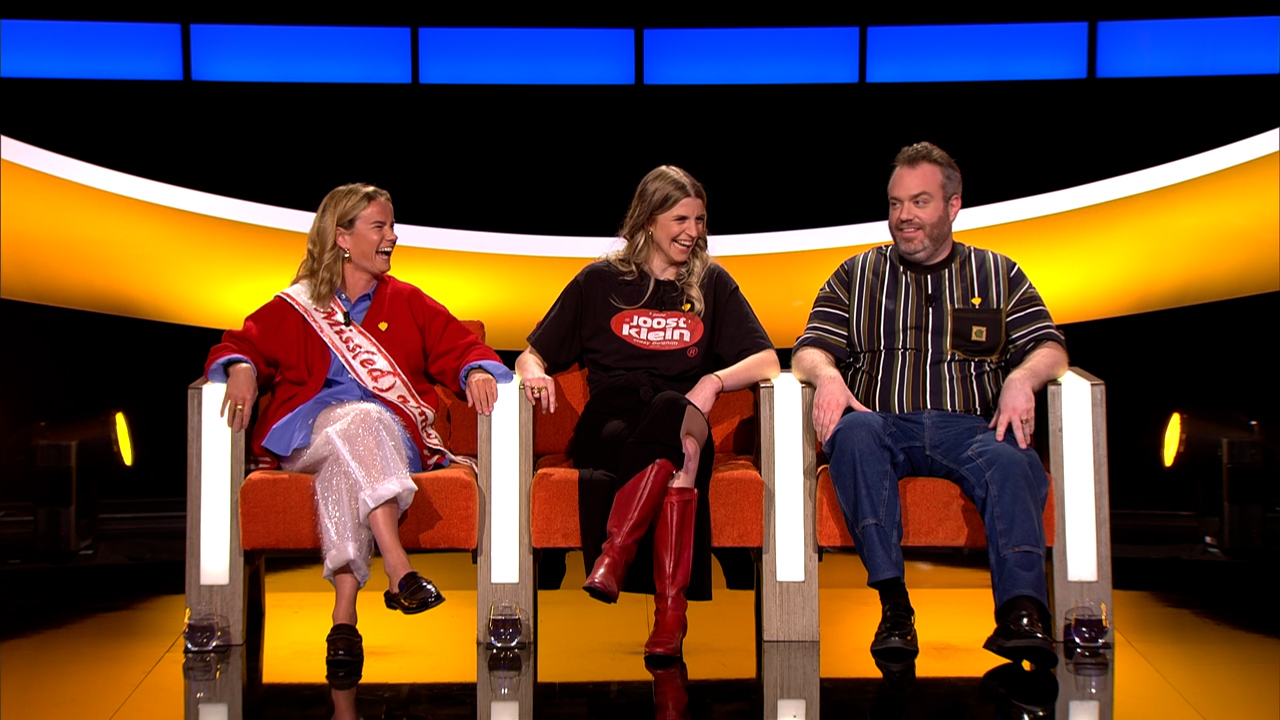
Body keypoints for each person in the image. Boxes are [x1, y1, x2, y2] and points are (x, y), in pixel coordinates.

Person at [206, 183, 511, 668]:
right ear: (342, 237)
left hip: (388, 439)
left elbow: (462, 347)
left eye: (392, 226)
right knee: (357, 424)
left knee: (353, 451)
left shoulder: (407, 301)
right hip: (307, 437)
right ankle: (398, 568)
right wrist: (241, 366)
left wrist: (475, 370)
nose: (393, 236)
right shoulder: (299, 306)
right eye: (380, 226)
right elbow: (240, 343)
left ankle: (344, 616)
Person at [792, 143, 1068, 669]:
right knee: (852, 435)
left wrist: (1022, 377)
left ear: (953, 205)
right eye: (896, 203)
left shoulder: (997, 273)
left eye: (919, 202)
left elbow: (1049, 346)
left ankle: (1021, 614)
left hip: (972, 428)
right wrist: (826, 375)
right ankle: (894, 607)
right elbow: (809, 348)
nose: (904, 216)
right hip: (882, 422)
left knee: (1015, 460)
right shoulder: (857, 274)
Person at [515, 166, 779, 660]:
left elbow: (766, 360)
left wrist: (713, 380)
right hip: (612, 422)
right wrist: (533, 374)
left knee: (676, 415)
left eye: (699, 220)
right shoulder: (599, 281)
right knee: (686, 455)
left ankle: (615, 555)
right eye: (680, 219)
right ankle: (670, 617)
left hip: (682, 411)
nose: (692, 232)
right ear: (648, 219)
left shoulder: (710, 283)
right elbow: (533, 355)